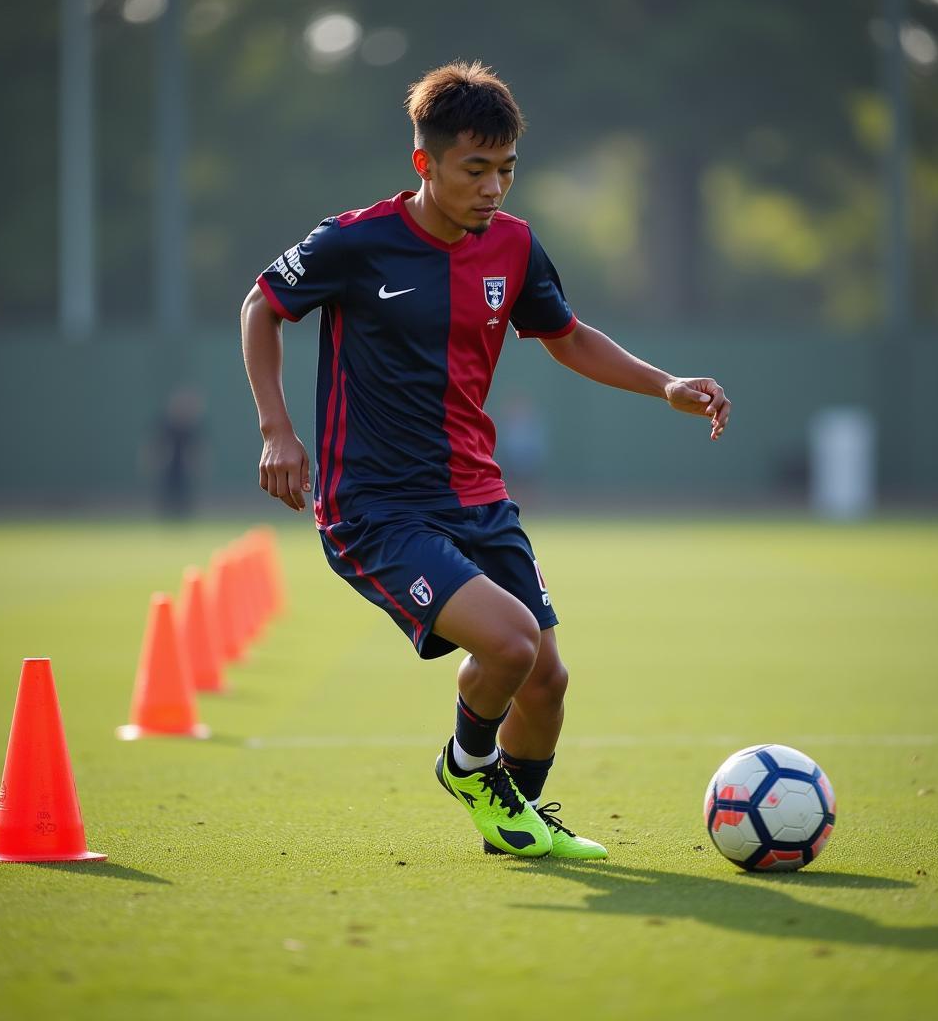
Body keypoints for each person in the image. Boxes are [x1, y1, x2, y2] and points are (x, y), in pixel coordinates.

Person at [241, 61, 730, 860]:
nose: (494, 187)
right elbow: (263, 304)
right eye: (475, 170)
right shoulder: (357, 242)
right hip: (375, 505)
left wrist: (665, 383)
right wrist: (277, 427)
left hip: (477, 494)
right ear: (424, 164)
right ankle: (469, 769)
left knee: (547, 682)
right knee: (510, 643)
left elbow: (566, 335)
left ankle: (517, 823)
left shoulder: (515, 246)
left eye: (507, 169)